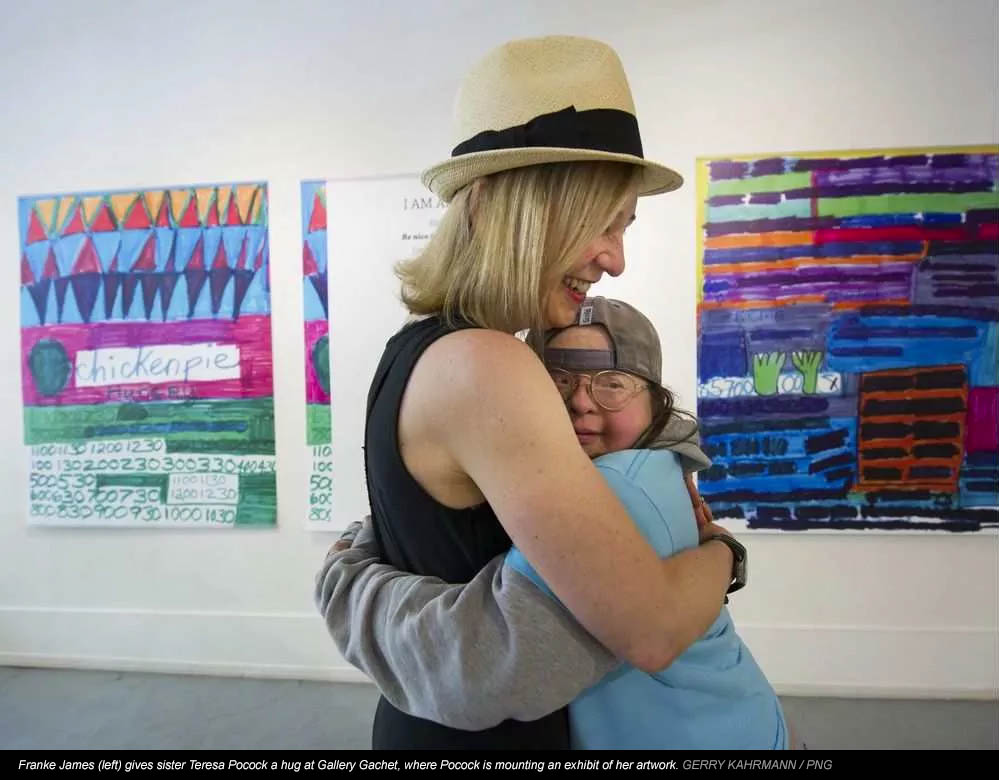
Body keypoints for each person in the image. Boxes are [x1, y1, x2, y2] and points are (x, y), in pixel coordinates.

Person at [321, 35, 739, 749]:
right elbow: (650, 629)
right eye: (599, 223)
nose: (615, 257)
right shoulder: (488, 365)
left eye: (623, 226)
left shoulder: (421, 349)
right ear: (494, 206)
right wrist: (725, 556)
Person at [319, 298, 794, 749]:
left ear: (655, 401)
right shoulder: (640, 464)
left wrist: (347, 580)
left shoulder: (618, 488)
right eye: (559, 380)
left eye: (612, 382)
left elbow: (482, 665)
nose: (582, 402)